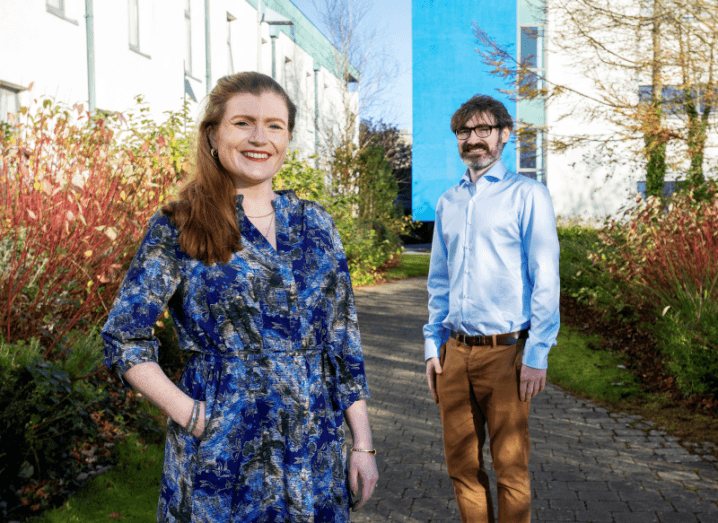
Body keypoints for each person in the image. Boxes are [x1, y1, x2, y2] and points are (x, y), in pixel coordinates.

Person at [102, 71, 379, 522]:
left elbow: (344, 343)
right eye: (243, 122)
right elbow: (124, 337)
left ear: (287, 137)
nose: (259, 138)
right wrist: (191, 415)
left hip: (314, 449)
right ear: (213, 133)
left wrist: (362, 444)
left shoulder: (315, 224)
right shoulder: (180, 225)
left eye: (274, 125)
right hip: (222, 455)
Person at [423, 95, 560, 523]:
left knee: (510, 469)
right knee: (462, 469)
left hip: (507, 357)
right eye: (464, 131)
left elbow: (546, 277)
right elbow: (439, 282)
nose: (473, 139)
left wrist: (537, 354)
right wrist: (433, 348)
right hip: (455, 356)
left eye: (483, 129)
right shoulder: (448, 202)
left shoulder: (528, 195)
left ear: (504, 135)